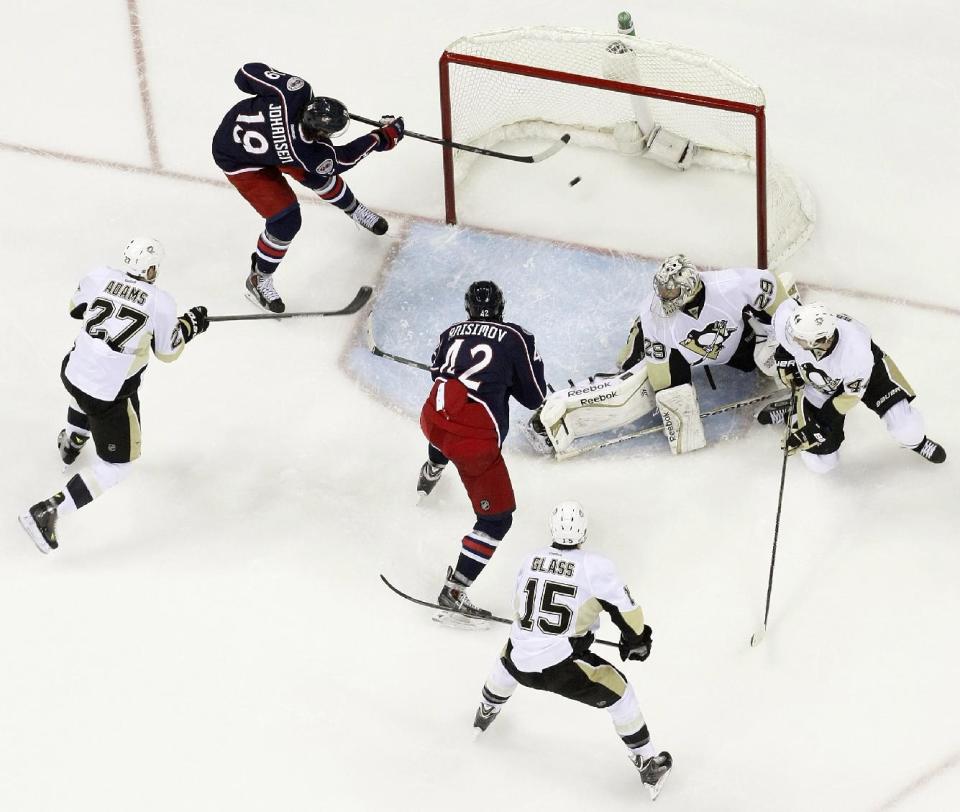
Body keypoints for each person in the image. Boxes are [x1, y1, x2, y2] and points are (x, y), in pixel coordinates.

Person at [18, 238, 210, 553]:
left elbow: (75, 309)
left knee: (88, 375)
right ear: (150, 268)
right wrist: (189, 325)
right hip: (105, 394)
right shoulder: (161, 302)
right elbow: (168, 351)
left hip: (71, 370)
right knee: (118, 465)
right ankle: (50, 510)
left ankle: (74, 439)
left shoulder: (100, 276)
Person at [473, 501, 672, 801]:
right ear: (584, 532)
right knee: (620, 692)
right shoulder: (594, 566)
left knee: (509, 654)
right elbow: (626, 611)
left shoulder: (530, 560)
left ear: (552, 528)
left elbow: (521, 607)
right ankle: (647, 762)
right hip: (560, 668)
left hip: (520, 661)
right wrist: (637, 640)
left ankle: (487, 709)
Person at [534, 254, 790, 455]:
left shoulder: (728, 286)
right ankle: (557, 412)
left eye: (670, 292)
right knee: (631, 390)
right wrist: (674, 401)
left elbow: (771, 286)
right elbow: (662, 378)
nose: (662, 296)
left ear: (688, 287)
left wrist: (791, 326)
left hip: (733, 343)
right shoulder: (655, 316)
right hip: (670, 346)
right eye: (661, 290)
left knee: (771, 357)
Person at [212, 62, 405, 313]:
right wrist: (383, 137)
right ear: (317, 131)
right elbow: (343, 158)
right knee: (286, 221)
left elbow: (244, 74)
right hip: (238, 159)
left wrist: (275, 98)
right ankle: (258, 278)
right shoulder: (308, 153)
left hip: (256, 138)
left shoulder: (293, 92)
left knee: (317, 176)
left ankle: (354, 210)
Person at [418, 281, 547, 617]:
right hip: (474, 442)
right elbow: (535, 397)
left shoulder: (450, 332)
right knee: (496, 520)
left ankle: (432, 468)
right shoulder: (516, 337)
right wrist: (508, 380)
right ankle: (455, 590)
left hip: (432, 420)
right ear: (501, 307)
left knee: (446, 419)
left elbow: (438, 373)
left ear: (468, 309)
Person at [757, 299, 946, 472]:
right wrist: (785, 360)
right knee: (822, 464)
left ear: (821, 341)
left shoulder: (856, 354)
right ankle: (796, 409)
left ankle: (917, 443)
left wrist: (818, 426)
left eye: (799, 339)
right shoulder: (794, 327)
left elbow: (849, 397)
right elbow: (785, 328)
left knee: (907, 429)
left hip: (865, 375)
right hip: (820, 381)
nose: (793, 340)